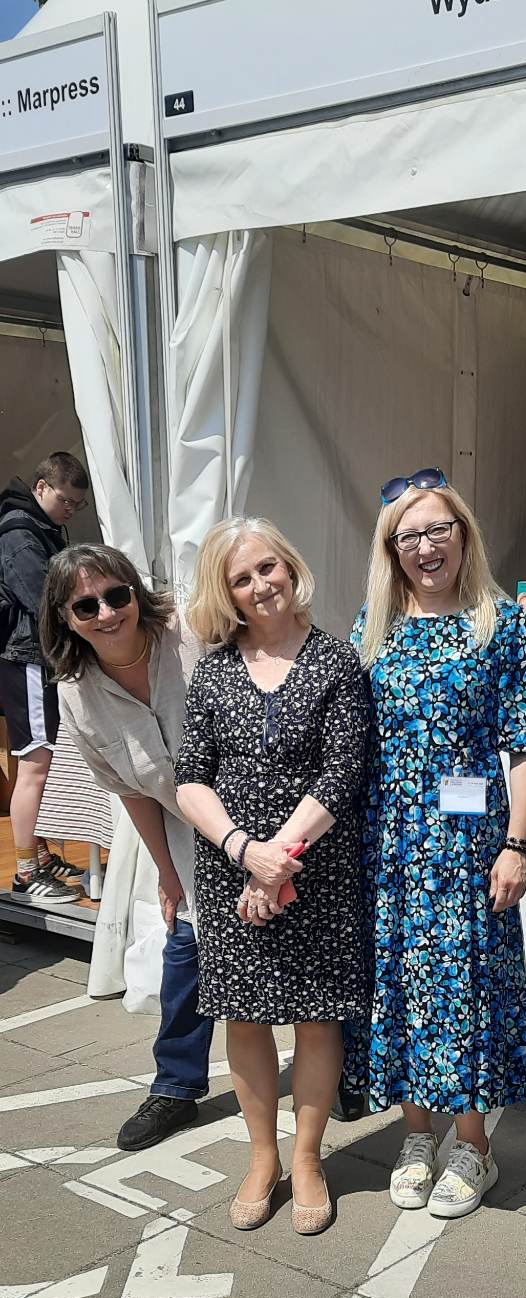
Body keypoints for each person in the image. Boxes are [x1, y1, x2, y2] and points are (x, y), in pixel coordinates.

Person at [352, 467, 526, 1220]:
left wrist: (517, 845)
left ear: (464, 535)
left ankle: (473, 1145)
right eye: (409, 536)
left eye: (440, 529)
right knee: (399, 987)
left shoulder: (500, 625)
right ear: (390, 549)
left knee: (466, 991)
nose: (426, 547)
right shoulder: (371, 626)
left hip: (469, 846)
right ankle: (416, 1135)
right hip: (389, 843)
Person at [175, 518, 372, 1234]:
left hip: (315, 867)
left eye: (268, 568)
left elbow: (344, 770)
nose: (260, 585)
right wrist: (243, 852)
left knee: (317, 1016)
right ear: (224, 593)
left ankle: (308, 1157)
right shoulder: (213, 671)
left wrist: (275, 861)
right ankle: (262, 1157)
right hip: (231, 872)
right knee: (246, 1016)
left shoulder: (335, 661)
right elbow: (189, 778)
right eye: (241, 578)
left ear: (290, 568)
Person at [39, 545, 214, 1152]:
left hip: (262, 816)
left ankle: (343, 1066)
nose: (107, 613)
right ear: (65, 618)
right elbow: (132, 791)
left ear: (136, 593)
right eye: (86, 606)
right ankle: (176, 1089)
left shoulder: (191, 637)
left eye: (117, 595)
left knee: (304, 944)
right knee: (185, 952)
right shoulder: (76, 694)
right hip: (187, 834)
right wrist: (166, 872)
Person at [0, 454, 91, 903]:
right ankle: (24, 873)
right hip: (28, 660)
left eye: (77, 504)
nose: (70, 510)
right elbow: (42, 601)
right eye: (65, 500)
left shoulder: (38, 527)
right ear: (40, 488)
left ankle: (37, 854)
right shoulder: (19, 533)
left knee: (40, 765)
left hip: (36, 659)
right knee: (36, 766)